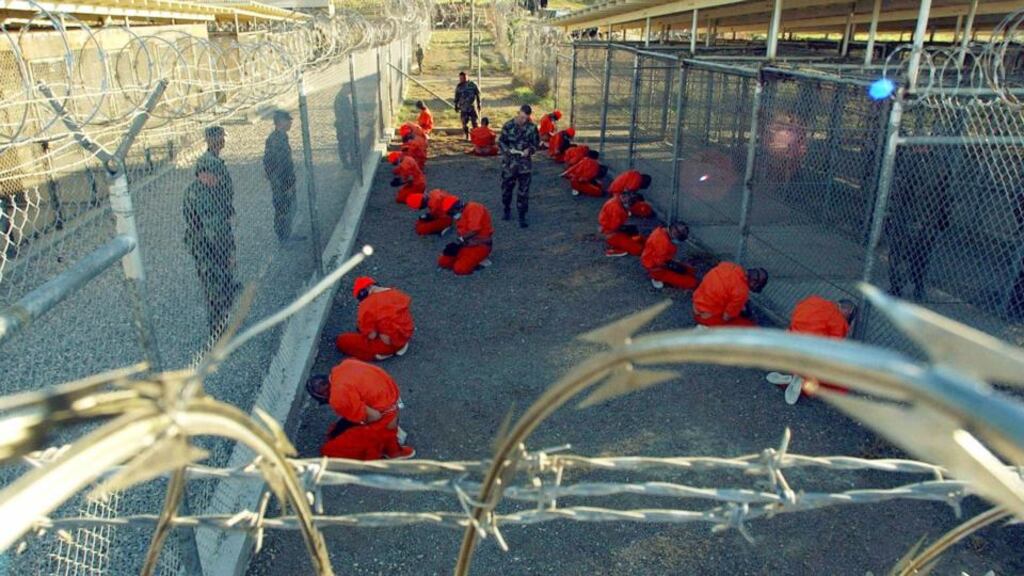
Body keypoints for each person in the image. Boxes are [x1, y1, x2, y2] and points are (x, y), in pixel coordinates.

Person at [183, 126, 241, 337]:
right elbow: (213, 231)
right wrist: (228, 253)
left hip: (216, 241)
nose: (217, 180)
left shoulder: (210, 187)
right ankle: (218, 330)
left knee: (222, 283)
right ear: (203, 175)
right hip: (207, 247)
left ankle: (224, 319)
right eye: (213, 177)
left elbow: (223, 202)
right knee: (214, 288)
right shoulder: (200, 195)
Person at [306, 360, 415, 460]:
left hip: (384, 417)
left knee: (328, 450)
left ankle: (389, 447)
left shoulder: (338, 397)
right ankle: (391, 435)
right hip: (392, 403)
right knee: (343, 425)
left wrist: (360, 424)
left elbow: (375, 416)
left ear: (324, 395)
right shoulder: (345, 366)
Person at [885, 148, 951, 301]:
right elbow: (946, 196)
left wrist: (891, 213)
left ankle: (897, 286)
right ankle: (918, 286)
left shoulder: (911, 162)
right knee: (922, 255)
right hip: (929, 219)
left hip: (909, 217)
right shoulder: (942, 164)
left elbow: (901, 191)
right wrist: (943, 219)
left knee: (900, 254)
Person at [767, 297, 857, 404]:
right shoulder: (840, 322)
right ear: (847, 312)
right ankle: (803, 379)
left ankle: (795, 374)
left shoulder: (813, 300)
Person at [335, 277, 415, 361]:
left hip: (387, 345)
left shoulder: (367, 306)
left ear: (363, 293)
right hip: (404, 336)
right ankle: (399, 346)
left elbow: (371, 336)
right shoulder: (396, 293)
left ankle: (383, 353)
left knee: (342, 341)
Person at [498, 104, 540, 228]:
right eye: (521, 117)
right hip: (509, 165)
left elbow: (536, 143)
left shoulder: (532, 128)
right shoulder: (508, 125)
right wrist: (507, 150)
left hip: (524, 166)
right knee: (506, 190)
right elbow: (501, 142)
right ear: (518, 113)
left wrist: (530, 150)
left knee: (523, 193)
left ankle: (522, 215)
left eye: (525, 118)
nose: (523, 120)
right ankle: (506, 209)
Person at [692, 263, 768, 327]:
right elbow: (726, 317)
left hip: (696, 303)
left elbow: (726, 287)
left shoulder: (729, 266)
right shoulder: (742, 291)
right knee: (749, 326)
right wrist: (737, 311)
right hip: (706, 317)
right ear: (754, 282)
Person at [262, 110, 298, 242]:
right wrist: (286, 184)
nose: (290, 123)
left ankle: (287, 233)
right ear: (281, 122)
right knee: (283, 208)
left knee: (289, 208)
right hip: (281, 182)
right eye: (288, 120)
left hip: (283, 181)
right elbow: (278, 165)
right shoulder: (275, 139)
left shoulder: (282, 137)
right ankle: (283, 237)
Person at [438, 197, 494, 275]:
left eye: (451, 212)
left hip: (480, 244)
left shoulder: (474, 208)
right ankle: (473, 260)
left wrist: (461, 240)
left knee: (460, 269)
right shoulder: (461, 212)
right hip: (466, 243)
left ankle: (481, 261)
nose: (452, 215)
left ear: (457, 207)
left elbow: (474, 230)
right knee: (443, 262)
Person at [641, 223, 697, 290]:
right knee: (692, 283)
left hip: (658, 261)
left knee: (689, 270)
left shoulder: (661, 231)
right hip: (656, 268)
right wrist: (672, 267)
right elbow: (659, 262)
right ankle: (656, 277)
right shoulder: (663, 245)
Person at [599, 193, 646, 257]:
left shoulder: (617, 201)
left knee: (636, 235)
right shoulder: (617, 209)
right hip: (611, 233)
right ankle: (614, 248)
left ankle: (621, 243)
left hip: (610, 229)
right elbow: (614, 227)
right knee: (638, 250)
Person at [454, 71, 482, 140]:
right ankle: (467, 136)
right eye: (460, 78)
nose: (462, 79)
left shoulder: (473, 84)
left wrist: (479, 104)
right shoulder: (459, 86)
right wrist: (456, 105)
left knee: (475, 123)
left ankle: (476, 137)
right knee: (464, 124)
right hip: (463, 108)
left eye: (463, 78)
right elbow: (456, 96)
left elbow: (478, 95)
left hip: (472, 108)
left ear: (467, 77)